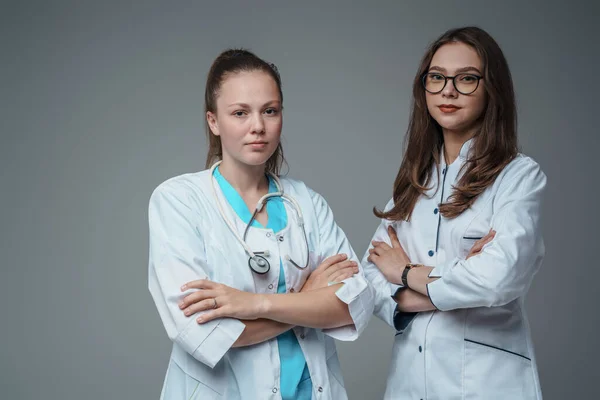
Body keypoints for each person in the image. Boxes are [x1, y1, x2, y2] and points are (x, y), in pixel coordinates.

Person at [147, 49, 374, 400]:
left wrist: (256, 304)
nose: (258, 126)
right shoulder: (179, 201)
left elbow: (353, 302)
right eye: (240, 113)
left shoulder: (307, 202)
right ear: (213, 121)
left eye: (270, 111)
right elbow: (201, 331)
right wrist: (308, 301)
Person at [363, 26, 546, 399]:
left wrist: (405, 272)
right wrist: (438, 288)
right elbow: (369, 276)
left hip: (486, 383)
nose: (448, 90)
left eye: (466, 79)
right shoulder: (414, 180)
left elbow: (497, 278)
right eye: (437, 77)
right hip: (410, 381)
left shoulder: (517, 176)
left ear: (491, 88)